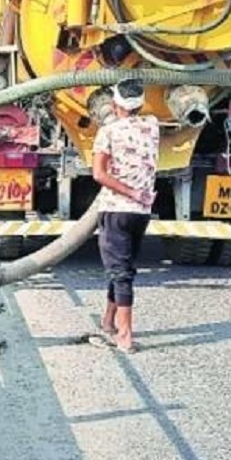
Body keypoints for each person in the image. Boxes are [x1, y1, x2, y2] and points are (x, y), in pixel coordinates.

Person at [91, 79, 160, 354]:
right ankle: (108, 321)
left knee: (120, 273)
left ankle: (125, 336)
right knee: (121, 266)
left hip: (116, 209)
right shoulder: (152, 126)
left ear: (115, 104)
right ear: (141, 104)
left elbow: (99, 174)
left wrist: (130, 191)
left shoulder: (108, 132)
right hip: (141, 213)